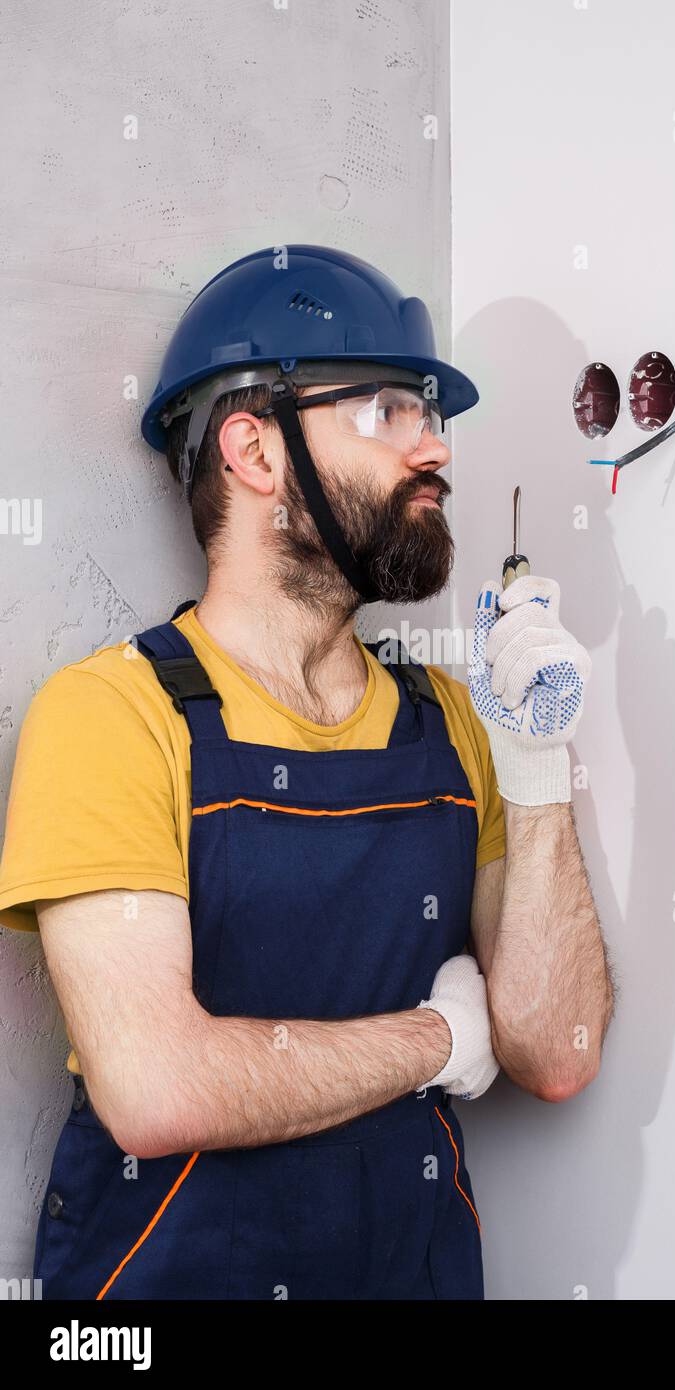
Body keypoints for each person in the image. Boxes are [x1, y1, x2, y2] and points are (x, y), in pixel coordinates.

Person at [0, 244, 614, 1300]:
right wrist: (436, 1038)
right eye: (386, 410)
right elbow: (155, 1089)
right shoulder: (112, 717)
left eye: (431, 414)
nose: (436, 450)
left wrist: (537, 765)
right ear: (252, 450)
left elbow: (555, 1050)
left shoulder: (455, 724)